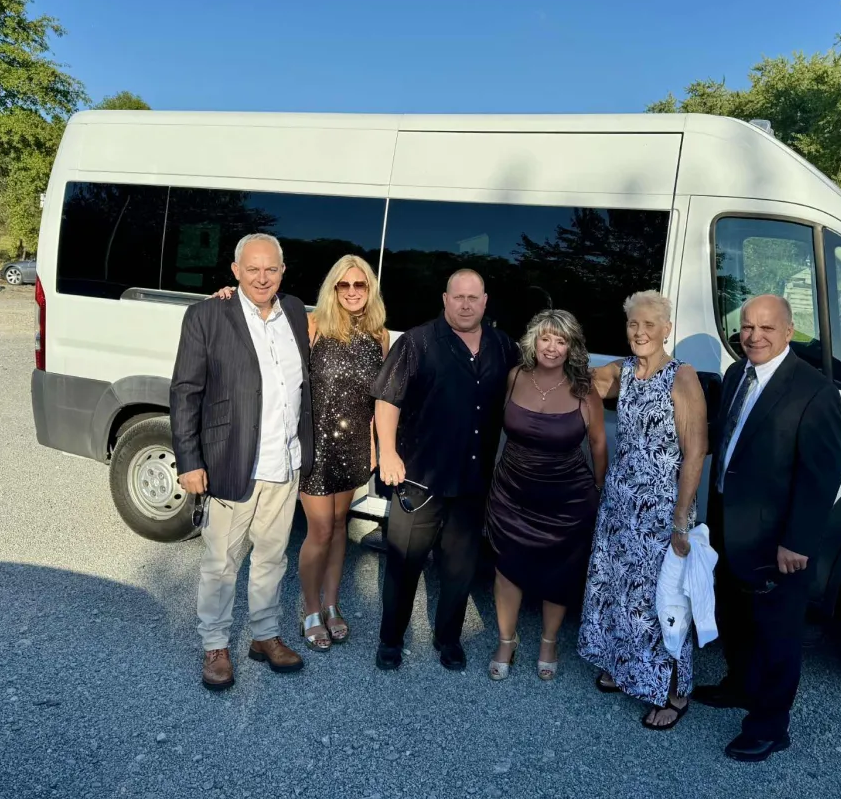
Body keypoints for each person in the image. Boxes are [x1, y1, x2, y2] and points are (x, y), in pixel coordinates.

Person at [695, 294, 841, 762]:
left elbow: (822, 477)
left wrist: (797, 541)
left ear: (789, 332)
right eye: (747, 327)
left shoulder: (814, 391)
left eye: (766, 328)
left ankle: (769, 726)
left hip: (778, 539)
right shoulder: (737, 374)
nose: (754, 336)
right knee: (734, 616)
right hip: (729, 522)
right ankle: (740, 685)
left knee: (777, 634)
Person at [214, 255, 389, 651]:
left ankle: (332, 604)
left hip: (354, 446)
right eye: (344, 285)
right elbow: (262, 317)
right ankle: (310, 609)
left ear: (370, 289)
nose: (352, 292)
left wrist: (375, 444)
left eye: (360, 285)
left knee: (341, 525)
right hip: (315, 444)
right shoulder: (312, 325)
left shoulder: (380, 335)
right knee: (321, 529)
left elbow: (377, 398)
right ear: (333, 289)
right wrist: (228, 297)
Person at [170, 233, 315, 691]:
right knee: (221, 562)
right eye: (252, 269)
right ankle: (215, 645)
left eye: (271, 269)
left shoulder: (295, 311)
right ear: (235, 271)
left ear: (283, 271)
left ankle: (265, 635)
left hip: (284, 462)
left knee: (272, 558)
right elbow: (186, 392)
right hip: (232, 462)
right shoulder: (208, 315)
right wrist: (189, 460)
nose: (262, 278)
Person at [372, 269, 520, 672]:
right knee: (404, 566)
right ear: (445, 299)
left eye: (473, 297)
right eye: (458, 297)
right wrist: (388, 452)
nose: (466, 305)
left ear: (485, 301)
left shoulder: (503, 346)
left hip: (472, 481)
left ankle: (448, 638)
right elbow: (387, 399)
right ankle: (391, 640)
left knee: (459, 570)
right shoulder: (417, 342)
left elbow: (537, 377)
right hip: (420, 478)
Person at [578, 290, 708, 730]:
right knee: (620, 589)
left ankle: (674, 692)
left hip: (662, 510)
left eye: (649, 324)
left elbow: (695, 452)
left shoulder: (681, 376)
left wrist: (681, 521)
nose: (640, 332)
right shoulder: (624, 371)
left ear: (666, 329)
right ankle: (624, 667)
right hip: (621, 503)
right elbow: (579, 379)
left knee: (663, 597)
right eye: (633, 324)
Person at [485, 309, 606, 682]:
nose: (552, 347)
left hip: (566, 500)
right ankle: (506, 640)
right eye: (545, 338)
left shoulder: (584, 390)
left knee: (560, 572)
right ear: (533, 342)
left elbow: (598, 445)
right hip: (511, 493)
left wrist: (598, 490)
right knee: (506, 567)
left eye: (561, 340)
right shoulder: (515, 376)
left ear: (571, 347)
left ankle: (549, 642)